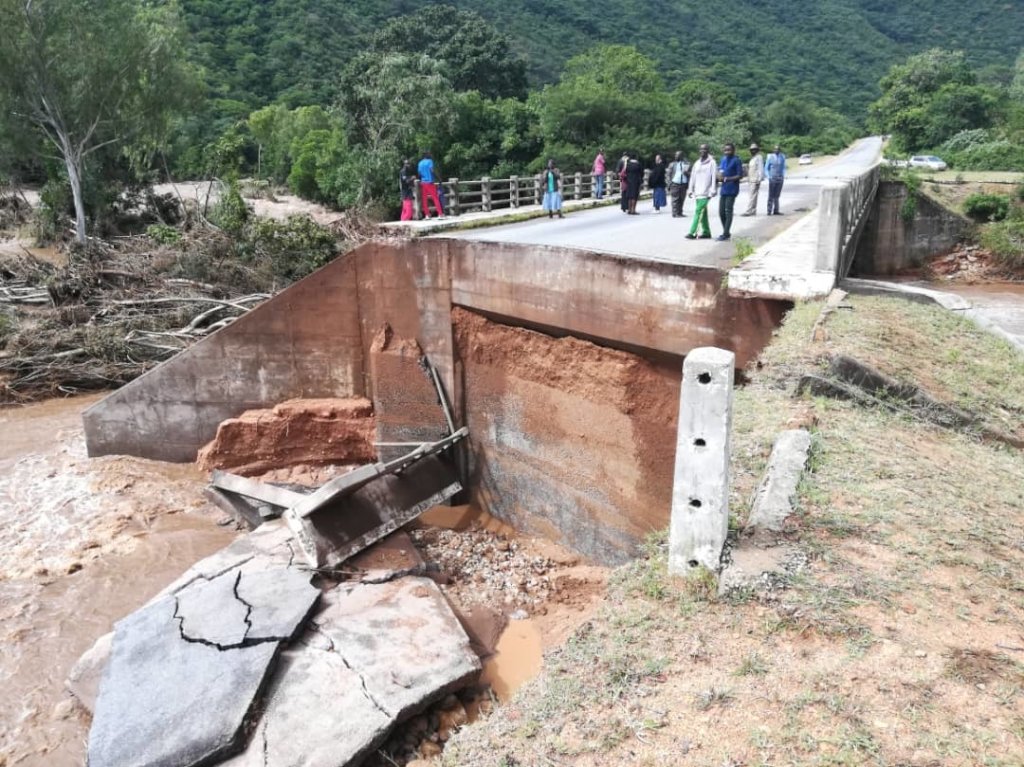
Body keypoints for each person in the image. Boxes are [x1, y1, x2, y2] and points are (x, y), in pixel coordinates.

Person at [685, 144, 716, 239]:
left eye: (705, 149)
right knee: (703, 213)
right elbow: (692, 177)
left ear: (708, 150)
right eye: (701, 149)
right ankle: (706, 232)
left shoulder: (712, 162)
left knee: (698, 211)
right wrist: (690, 189)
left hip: (706, 192)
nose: (703, 151)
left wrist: (713, 190)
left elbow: (714, 176)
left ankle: (693, 232)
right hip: (697, 192)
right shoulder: (697, 163)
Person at [716, 142, 743, 240]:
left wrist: (727, 179)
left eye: (729, 150)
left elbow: (740, 175)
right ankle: (726, 231)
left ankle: (726, 233)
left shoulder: (736, 160)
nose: (727, 152)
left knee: (728, 211)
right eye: (725, 150)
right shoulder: (723, 160)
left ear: (733, 150)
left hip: (732, 189)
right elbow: (720, 170)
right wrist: (718, 175)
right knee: (721, 212)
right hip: (723, 189)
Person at [417, 150, 444, 218]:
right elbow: (432, 170)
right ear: (426, 155)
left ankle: (427, 215)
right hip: (430, 182)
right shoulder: (429, 161)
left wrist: (423, 178)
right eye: (429, 154)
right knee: (435, 198)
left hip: (423, 183)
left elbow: (419, 174)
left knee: (424, 199)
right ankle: (440, 214)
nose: (430, 155)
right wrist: (439, 178)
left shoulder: (420, 163)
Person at [742, 143, 764, 216]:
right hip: (751, 179)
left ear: (757, 150)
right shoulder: (752, 158)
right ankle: (753, 210)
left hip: (755, 179)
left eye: (754, 150)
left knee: (752, 195)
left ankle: (749, 211)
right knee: (753, 195)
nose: (752, 151)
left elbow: (760, 168)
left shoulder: (759, 157)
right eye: (751, 150)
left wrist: (759, 179)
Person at [667, 151, 690, 217]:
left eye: (678, 155)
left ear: (682, 156)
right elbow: (668, 175)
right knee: (675, 199)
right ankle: (675, 213)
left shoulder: (686, 164)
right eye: (675, 155)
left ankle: (680, 212)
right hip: (675, 183)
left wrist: (686, 173)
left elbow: (691, 174)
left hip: (683, 183)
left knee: (682, 199)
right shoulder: (672, 164)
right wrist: (669, 184)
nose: (676, 156)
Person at [765, 144, 786, 215]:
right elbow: (766, 168)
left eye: (778, 149)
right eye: (775, 149)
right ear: (773, 150)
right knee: (771, 195)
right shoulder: (770, 157)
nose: (776, 150)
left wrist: (783, 175)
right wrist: (769, 176)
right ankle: (769, 210)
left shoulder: (782, 157)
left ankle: (776, 210)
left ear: (780, 150)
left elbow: (783, 167)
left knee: (777, 195)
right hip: (772, 178)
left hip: (780, 178)